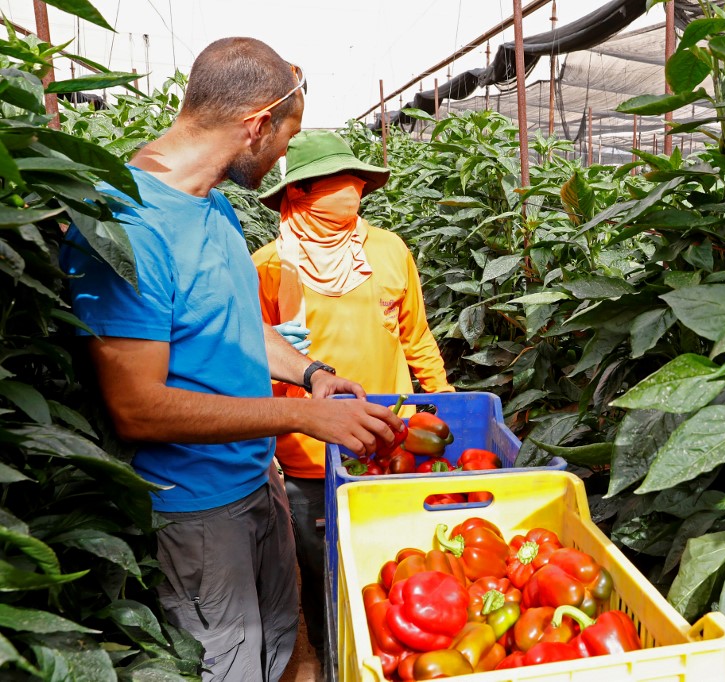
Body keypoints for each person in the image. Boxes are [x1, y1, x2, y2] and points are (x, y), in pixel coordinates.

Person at [59, 38, 403, 682]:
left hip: (255, 480)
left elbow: (241, 328)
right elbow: (138, 407)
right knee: (228, 667)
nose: (279, 161)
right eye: (284, 139)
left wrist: (313, 378)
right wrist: (297, 419)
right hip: (195, 510)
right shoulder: (126, 222)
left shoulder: (212, 206)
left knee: (280, 649)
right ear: (255, 125)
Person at [252, 130, 454, 663]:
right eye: (336, 182)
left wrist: (443, 395)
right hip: (309, 454)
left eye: (356, 180)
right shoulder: (271, 265)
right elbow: (252, 357)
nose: (352, 191)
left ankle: (391, 653)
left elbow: (416, 336)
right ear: (299, 193)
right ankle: (333, 653)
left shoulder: (387, 251)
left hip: (394, 438)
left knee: (399, 554)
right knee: (323, 564)